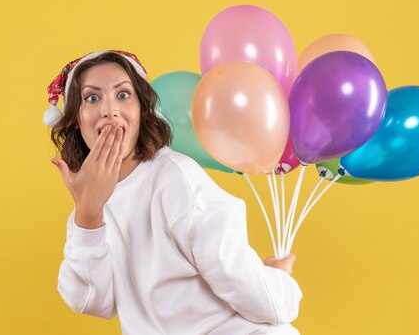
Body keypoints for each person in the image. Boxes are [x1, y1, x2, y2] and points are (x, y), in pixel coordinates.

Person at [44, 50, 303, 335]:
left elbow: (257, 296)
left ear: (142, 110)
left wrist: (280, 282)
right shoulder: (89, 202)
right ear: (75, 119)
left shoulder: (175, 180)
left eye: (123, 95)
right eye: (92, 98)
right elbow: (92, 300)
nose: (109, 109)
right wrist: (87, 215)